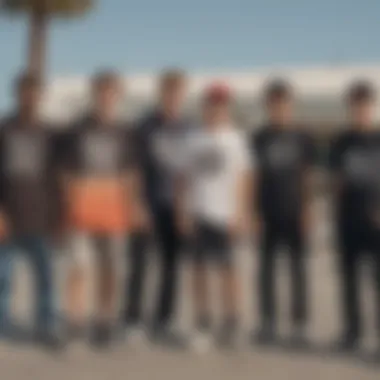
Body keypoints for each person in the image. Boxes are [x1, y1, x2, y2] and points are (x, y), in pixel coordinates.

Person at [60, 70, 145, 347]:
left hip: (114, 207)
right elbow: (66, 172)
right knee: (79, 267)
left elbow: (131, 173)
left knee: (110, 268)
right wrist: (69, 206)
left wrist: (133, 207)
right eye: (101, 92)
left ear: (117, 96)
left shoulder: (125, 131)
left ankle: (104, 321)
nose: (106, 97)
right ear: (94, 94)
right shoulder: (77, 129)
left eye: (111, 92)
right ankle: (74, 323)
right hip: (82, 207)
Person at [177, 83, 252, 351]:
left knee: (229, 272)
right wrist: (182, 212)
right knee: (198, 272)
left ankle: (232, 323)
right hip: (198, 214)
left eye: (221, 104)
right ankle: (202, 323)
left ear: (227, 107)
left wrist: (242, 214)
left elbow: (244, 179)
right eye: (211, 104)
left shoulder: (236, 139)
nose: (216, 109)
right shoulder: (192, 139)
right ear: (204, 107)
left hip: (226, 216)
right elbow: (183, 179)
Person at [251, 79, 316, 345]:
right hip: (267, 212)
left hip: (294, 212)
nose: (278, 108)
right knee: (266, 270)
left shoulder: (303, 137)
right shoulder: (259, 137)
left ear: (290, 104)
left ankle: (300, 325)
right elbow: (253, 177)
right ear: (268, 106)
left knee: (298, 270)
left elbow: (307, 176)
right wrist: (253, 212)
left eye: (283, 103)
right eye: (273, 103)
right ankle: (268, 323)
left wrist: (308, 209)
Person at [0, 72, 62, 348]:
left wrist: (59, 218)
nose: (31, 98)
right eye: (26, 92)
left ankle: (46, 324)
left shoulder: (50, 133)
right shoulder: (4, 129)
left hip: (42, 218)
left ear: (41, 97)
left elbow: (56, 178)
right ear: (17, 94)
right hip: (8, 218)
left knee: (47, 277)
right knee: (3, 278)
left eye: (36, 93)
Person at [129, 69, 190, 346]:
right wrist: (137, 204)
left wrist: (186, 209)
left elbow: (190, 173)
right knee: (140, 264)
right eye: (168, 92)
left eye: (177, 93)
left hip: (175, 208)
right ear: (161, 94)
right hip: (147, 205)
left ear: (183, 95)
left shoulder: (189, 128)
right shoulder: (145, 127)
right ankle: (131, 321)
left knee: (171, 266)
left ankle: (164, 319)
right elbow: (135, 169)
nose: (172, 98)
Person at [329, 81, 380, 353]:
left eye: (364, 104)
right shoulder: (341, 142)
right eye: (355, 105)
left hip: (377, 225)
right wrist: (335, 217)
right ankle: (352, 332)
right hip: (349, 221)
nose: (360, 110)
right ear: (350, 108)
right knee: (349, 281)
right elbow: (336, 183)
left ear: (371, 106)